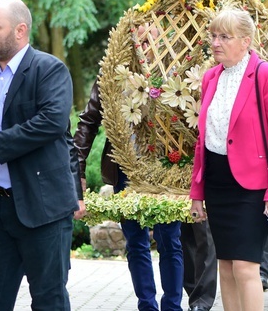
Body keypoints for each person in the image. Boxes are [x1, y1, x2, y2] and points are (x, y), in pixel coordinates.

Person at [0, 0, 82, 310]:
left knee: (48, 301)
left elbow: (51, 123)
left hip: (44, 210)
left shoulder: (49, 69)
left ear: (20, 31)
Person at [189, 8, 268, 311]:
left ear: (246, 41)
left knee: (246, 268)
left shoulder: (267, 75)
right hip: (218, 184)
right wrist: (197, 192)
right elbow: (203, 139)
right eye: (213, 36)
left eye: (225, 36)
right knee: (224, 265)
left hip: (253, 187)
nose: (216, 42)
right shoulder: (210, 77)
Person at [74, 80, 188, 311]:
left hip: (166, 166)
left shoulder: (168, 64)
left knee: (170, 240)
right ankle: (146, 306)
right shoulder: (115, 70)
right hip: (126, 167)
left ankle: (172, 307)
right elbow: (89, 120)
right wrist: (78, 169)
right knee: (136, 242)